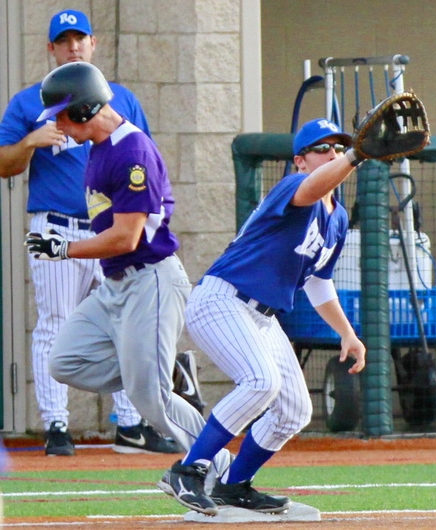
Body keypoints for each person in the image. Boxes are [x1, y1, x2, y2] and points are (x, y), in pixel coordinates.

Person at [24, 61, 232, 483]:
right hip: (119, 285)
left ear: (84, 109)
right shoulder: (100, 148)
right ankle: (162, 370)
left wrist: (64, 249)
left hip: (149, 276)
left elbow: (127, 237)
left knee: (149, 398)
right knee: (64, 360)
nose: (59, 124)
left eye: (63, 113)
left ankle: (225, 472)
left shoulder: (131, 150)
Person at [158, 118, 366, 515]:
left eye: (338, 148)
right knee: (261, 382)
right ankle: (187, 471)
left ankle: (234, 487)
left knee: (295, 410)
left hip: (262, 317)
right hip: (222, 299)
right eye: (323, 149)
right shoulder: (293, 185)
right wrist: (357, 156)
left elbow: (318, 283)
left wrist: (347, 334)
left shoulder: (337, 217)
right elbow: (311, 189)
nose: (333, 154)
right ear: (300, 161)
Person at [0, 8, 179, 456]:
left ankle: (134, 423)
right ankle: (57, 425)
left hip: (115, 231)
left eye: (80, 38)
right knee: (55, 326)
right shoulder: (30, 103)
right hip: (58, 222)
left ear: (93, 44)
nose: (73, 46)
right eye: (64, 40)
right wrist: (28, 144)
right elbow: (4, 164)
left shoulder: (119, 103)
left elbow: (145, 163)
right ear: (51, 48)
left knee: (126, 325)